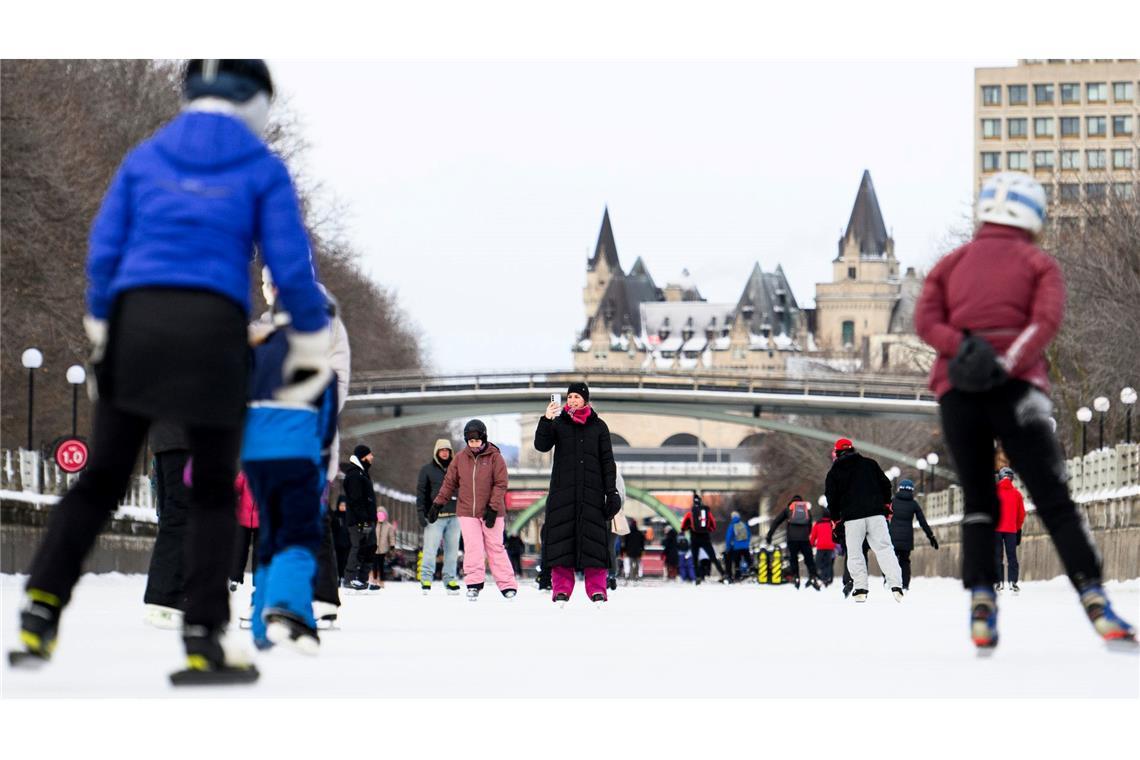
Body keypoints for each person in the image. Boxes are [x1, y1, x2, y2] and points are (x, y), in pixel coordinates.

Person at [13, 60, 331, 681]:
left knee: (102, 477)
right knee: (212, 489)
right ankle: (201, 638)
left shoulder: (147, 156)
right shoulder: (263, 168)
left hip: (139, 319)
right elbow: (291, 267)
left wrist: (105, 325)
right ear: (257, 102)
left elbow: (105, 249)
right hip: (212, 328)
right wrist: (311, 339)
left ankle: (42, 609)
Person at [914, 171, 1135, 649]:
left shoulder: (951, 264)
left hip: (958, 389)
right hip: (1019, 392)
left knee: (978, 498)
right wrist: (1007, 362)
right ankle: (1094, 597)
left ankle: (981, 603)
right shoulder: (1040, 264)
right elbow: (1045, 321)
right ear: (1033, 215)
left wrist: (963, 349)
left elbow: (925, 319)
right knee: (1053, 499)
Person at [241, 298, 338, 653]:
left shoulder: (255, 355)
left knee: (271, 532)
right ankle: (286, 608)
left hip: (256, 461)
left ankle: (261, 628)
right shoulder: (318, 366)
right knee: (299, 533)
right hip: (296, 457)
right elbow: (325, 429)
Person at [533, 382, 621, 606]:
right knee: (562, 540)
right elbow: (541, 446)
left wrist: (611, 492)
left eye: (576, 396)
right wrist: (546, 420)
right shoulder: (559, 423)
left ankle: (597, 590)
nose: (572, 400)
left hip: (592, 492)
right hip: (564, 492)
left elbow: (607, 461)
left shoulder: (599, 426)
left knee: (595, 542)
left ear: (585, 399)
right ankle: (561, 589)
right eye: (569, 396)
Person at [430, 419, 518, 601]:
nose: (474, 445)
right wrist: (437, 504)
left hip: (492, 512)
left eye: (477, 441)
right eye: (470, 441)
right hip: (467, 511)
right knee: (473, 548)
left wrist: (493, 508)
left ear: (484, 438)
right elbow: (449, 484)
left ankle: (507, 584)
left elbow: (501, 484)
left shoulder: (495, 458)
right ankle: (474, 583)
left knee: (495, 547)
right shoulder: (460, 459)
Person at [824, 439, 904, 603]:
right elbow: (886, 485)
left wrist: (835, 520)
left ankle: (860, 589)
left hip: (852, 519)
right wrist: (887, 505)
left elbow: (832, 499)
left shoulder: (834, 472)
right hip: (876, 515)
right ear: (853, 449)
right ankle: (896, 585)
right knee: (885, 549)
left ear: (837, 453)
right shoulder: (870, 464)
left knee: (854, 553)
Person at [141, 421, 191, 629]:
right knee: (181, 515)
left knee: (175, 515)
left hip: (166, 438)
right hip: (185, 438)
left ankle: (169, 594)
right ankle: (165, 597)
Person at [416, 438, 461, 595]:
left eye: (447, 450)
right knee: (430, 550)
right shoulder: (427, 470)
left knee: (452, 551)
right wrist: (421, 512)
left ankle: (450, 579)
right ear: (436, 452)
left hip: (455, 516)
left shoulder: (456, 469)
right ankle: (426, 578)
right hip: (434, 516)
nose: (445, 453)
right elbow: (421, 493)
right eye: (442, 450)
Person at [888, 479, 938, 592]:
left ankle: (891, 582)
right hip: (907, 539)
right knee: (905, 561)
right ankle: (905, 585)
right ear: (912, 490)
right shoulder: (913, 504)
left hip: (893, 538)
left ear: (899, 489)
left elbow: (883, 517)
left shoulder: (892, 502)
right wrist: (931, 536)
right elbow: (922, 521)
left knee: (891, 560)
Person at [765, 496, 821, 590]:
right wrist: (807, 534)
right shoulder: (806, 509)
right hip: (804, 539)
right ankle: (812, 576)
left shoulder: (789, 509)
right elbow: (810, 523)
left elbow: (776, 522)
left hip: (792, 539)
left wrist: (769, 535)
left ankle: (796, 576)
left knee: (793, 558)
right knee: (809, 558)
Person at [342, 445, 378, 591]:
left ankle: (362, 580)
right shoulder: (354, 475)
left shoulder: (363, 473)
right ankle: (349, 580)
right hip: (358, 521)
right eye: (370, 455)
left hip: (368, 519)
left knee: (370, 548)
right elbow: (356, 500)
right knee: (357, 548)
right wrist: (363, 520)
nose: (372, 457)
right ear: (363, 456)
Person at [994, 467, 1026, 594]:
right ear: (1012, 478)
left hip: (996, 529)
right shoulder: (1017, 494)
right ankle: (1013, 582)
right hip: (1011, 530)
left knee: (997, 555)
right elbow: (1021, 514)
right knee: (1012, 556)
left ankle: (999, 582)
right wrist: (1017, 527)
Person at [680, 492, 724, 584]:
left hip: (694, 538)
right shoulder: (707, 513)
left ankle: (698, 577)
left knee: (695, 559)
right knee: (713, 557)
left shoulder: (690, 514)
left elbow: (683, 527)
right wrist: (707, 530)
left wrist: (690, 528)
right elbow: (713, 526)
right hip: (705, 538)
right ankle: (724, 574)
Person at [229, 470, 259, 591]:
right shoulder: (246, 471)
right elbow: (237, 486)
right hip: (243, 518)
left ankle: (258, 581)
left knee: (260, 552)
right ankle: (235, 578)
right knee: (240, 549)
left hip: (262, 520)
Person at [809, 509, 837, 587]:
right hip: (830, 547)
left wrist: (811, 544)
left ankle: (821, 577)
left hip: (820, 546)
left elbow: (813, 536)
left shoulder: (818, 523)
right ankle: (827, 579)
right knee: (828, 563)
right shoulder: (832, 524)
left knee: (819, 563)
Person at [371, 510, 396, 590]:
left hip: (383, 549)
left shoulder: (389, 526)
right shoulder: (374, 524)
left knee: (381, 565)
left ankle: (381, 580)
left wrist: (392, 545)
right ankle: (374, 579)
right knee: (374, 565)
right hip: (374, 548)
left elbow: (391, 536)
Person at [723, 511, 752, 582]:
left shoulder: (732, 525)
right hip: (745, 547)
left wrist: (728, 547)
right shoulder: (743, 524)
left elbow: (728, 537)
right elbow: (749, 534)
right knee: (749, 560)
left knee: (737, 562)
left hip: (737, 547)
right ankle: (752, 572)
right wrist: (746, 543)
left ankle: (737, 575)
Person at [622, 517, 646, 583]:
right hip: (638, 552)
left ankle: (631, 576)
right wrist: (643, 550)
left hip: (630, 551)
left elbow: (625, 543)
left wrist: (624, 550)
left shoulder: (628, 534)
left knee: (631, 564)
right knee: (637, 564)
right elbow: (642, 543)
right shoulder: (640, 533)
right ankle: (636, 575)